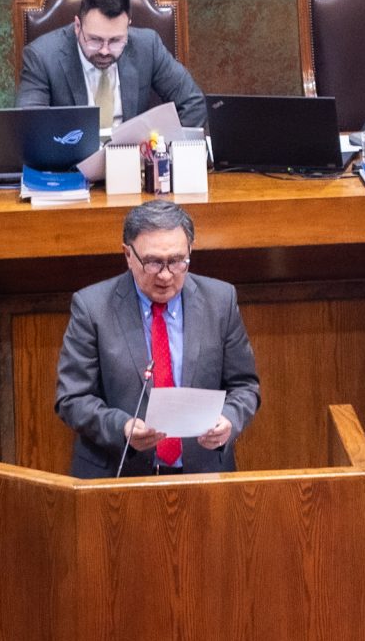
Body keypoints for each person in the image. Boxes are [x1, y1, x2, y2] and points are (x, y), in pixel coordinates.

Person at [53, 201, 260, 478]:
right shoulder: (92, 308)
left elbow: (245, 386)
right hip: (117, 477)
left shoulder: (220, 301)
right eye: (153, 263)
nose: (165, 275)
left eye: (177, 261)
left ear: (190, 251)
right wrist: (122, 427)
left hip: (202, 474)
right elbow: (72, 398)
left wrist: (229, 420)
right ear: (128, 255)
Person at [15, 0, 206, 130]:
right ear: (78, 26)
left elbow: (192, 103)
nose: (105, 50)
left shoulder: (148, 46)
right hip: (71, 163)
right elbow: (31, 126)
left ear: (128, 26)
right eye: (95, 40)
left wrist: (162, 151)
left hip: (133, 160)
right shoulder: (41, 56)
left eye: (115, 40)